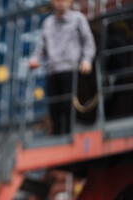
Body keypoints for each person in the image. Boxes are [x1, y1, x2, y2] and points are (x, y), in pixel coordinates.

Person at [29, 0, 96, 135]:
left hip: (70, 70)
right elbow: (41, 47)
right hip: (52, 71)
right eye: (57, 0)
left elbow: (88, 41)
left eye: (63, 0)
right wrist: (34, 60)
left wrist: (87, 60)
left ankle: (69, 135)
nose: (60, 3)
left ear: (70, 2)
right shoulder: (47, 23)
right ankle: (58, 137)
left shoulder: (78, 19)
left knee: (68, 106)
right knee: (54, 108)